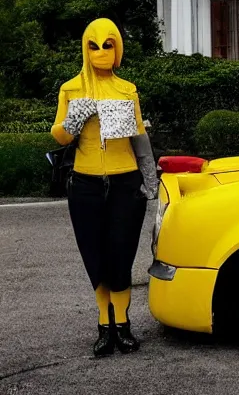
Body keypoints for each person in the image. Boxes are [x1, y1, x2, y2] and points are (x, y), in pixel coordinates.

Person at [50, 18, 158, 357]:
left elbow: (140, 136)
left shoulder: (127, 89)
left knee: (121, 255)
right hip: (85, 184)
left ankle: (122, 325)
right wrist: (73, 120)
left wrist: (150, 179)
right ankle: (103, 324)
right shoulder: (71, 88)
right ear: (85, 48)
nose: (100, 52)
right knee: (94, 256)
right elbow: (59, 135)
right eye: (94, 46)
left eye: (108, 45)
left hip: (126, 182)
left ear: (117, 49)